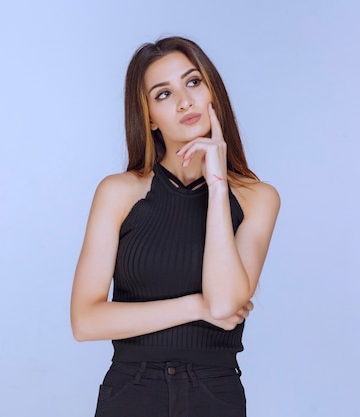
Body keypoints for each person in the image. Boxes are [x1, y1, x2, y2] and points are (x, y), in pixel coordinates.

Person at [70, 36, 280, 417]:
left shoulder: (257, 198)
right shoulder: (120, 192)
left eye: (193, 82)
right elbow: (85, 321)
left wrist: (217, 188)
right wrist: (194, 306)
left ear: (212, 90)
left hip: (214, 392)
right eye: (163, 94)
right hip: (132, 390)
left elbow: (225, 302)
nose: (184, 101)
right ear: (149, 115)